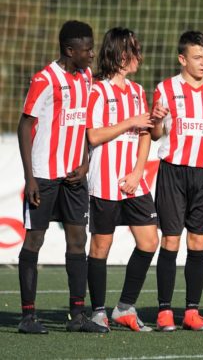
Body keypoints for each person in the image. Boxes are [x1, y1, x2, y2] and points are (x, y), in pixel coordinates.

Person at [16, 20, 106, 333]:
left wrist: (84, 163)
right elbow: (24, 126)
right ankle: (28, 317)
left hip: (74, 176)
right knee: (35, 239)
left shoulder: (87, 76)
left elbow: (83, 126)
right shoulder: (44, 79)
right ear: (70, 51)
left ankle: (77, 316)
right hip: (43, 175)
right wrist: (30, 178)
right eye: (86, 49)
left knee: (78, 240)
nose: (92, 53)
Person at [150, 31, 203, 332]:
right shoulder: (165, 88)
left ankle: (191, 311)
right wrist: (157, 119)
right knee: (171, 240)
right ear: (182, 59)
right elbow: (155, 134)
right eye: (197, 57)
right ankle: (164, 311)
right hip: (173, 171)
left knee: (198, 242)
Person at [85, 27, 158, 332]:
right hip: (104, 181)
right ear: (119, 54)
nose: (139, 55)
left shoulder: (138, 91)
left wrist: (138, 171)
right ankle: (98, 311)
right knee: (101, 246)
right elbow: (93, 135)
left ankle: (124, 307)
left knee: (149, 240)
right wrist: (130, 121)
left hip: (134, 181)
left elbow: (146, 134)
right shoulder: (97, 91)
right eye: (133, 50)